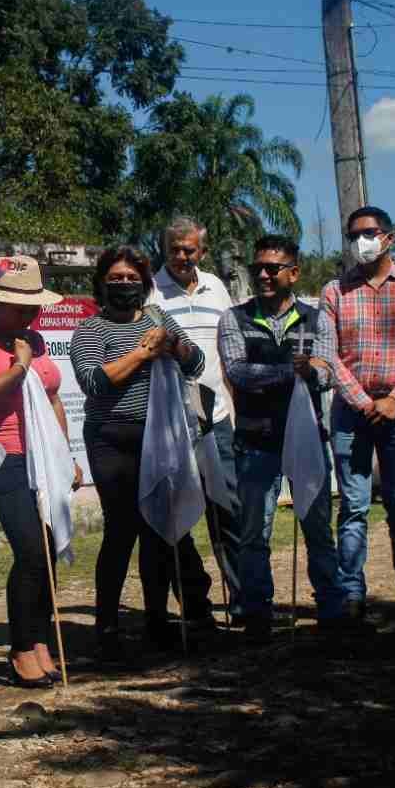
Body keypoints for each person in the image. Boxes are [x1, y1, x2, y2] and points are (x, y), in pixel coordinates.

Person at [70, 246, 208, 661]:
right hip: (112, 439)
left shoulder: (157, 318)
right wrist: (141, 354)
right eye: (116, 278)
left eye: (133, 278)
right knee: (121, 530)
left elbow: (196, 363)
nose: (125, 284)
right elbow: (94, 381)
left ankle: (157, 619)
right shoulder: (90, 331)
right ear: (101, 282)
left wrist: (173, 347)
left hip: (160, 437)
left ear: (145, 283)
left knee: (158, 530)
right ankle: (107, 625)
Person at [217, 235, 349, 643]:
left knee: (316, 526)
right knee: (255, 532)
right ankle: (258, 613)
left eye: (273, 268)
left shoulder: (317, 318)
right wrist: (289, 372)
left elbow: (329, 372)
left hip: (307, 437)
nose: (263, 274)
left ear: (294, 272)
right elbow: (238, 372)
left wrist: (312, 370)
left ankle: (331, 608)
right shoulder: (234, 318)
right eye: (257, 267)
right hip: (256, 441)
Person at [0, 256, 79, 688]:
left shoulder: (35, 339)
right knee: (30, 551)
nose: (29, 314)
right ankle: (21, 648)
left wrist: (66, 456)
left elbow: (53, 400)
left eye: (33, 306)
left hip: (44, 458)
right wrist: (18, 366)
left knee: (47, 553)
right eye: (19, 305)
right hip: (6, 458)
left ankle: (40, 640)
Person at [320, 205, 395, 620]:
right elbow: (328, 354)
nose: (360, 242)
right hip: (352, 413)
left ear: (389, 237)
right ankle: (352, 594)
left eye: (368, 233)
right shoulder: (334, 291)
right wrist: (363, 401)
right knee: (352, 505)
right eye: (353, 235)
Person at [147, 217, 242, 614]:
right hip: (173, 422)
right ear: (164, 250)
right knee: (177, 517)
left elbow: (230, 348)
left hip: (217, 418)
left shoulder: (217, 287)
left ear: (201, 251)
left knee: (229, 510)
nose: (182, 256)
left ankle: (242, 597)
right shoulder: (150, 292)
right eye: (175, 249)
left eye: (190, 249)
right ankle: (195, 602)